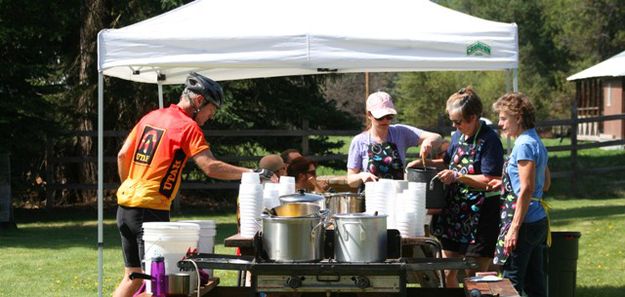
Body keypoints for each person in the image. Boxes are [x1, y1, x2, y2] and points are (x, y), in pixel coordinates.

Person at [113, 72, 272, 297]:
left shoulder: (151, 116)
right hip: (150, 210)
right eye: (211, 110)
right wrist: (252, 172)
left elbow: (122, 155)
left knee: (133, 275)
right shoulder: (188, 127)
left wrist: (130, 186)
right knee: (155, 283)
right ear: (199, 101)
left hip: (125, 208)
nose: (210, 116)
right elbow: (210, 166)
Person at [407, 87, 504, 287]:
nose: (455, 125)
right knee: (447, 271)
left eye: (458, 122)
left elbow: (491, 179)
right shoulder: (457, 137)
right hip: (454, 213)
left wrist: (459, 177)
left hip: (481, 215)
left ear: (474, 117)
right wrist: (427, 164)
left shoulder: (490, 140)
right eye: (452, 121)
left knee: (475, 274)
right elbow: (448, 162)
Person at [488, 92, 551, 297]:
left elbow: (526, 188)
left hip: (523, 222)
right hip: (538, 219)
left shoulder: (523, 144)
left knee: (510, 282)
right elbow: (546, 183)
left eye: (504, 118)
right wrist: (506, 183)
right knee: (535, 284)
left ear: (518, 117)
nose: (500, 123)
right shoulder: (535, 140)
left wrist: (514, 229)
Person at [346, 91, 442, 189]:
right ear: (369, 115)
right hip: (371, 199)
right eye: (380, 117)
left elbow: (437, 137)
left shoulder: (400, 132)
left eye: (389, 116)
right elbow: (351, 180)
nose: (385, 121)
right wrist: (362, 176)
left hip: (397, 197)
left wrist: (427, 142)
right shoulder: (359, 141)